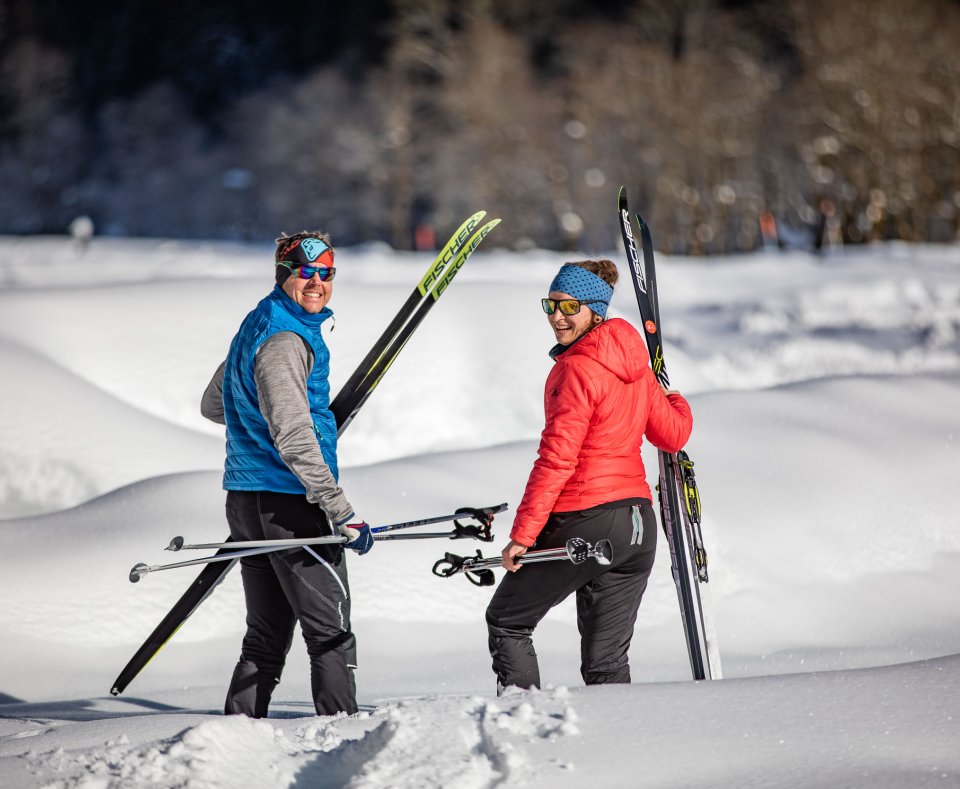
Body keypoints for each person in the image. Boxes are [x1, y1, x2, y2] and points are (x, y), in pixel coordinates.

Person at [485, 259, 693, 691]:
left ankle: (519, 726)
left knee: (507, 621)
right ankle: (615, 748)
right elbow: (672, 436)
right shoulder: (635, 365)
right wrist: (675, 399)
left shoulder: (577, 368)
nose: (557, 317)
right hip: (636, 527)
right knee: (606, 662)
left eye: (569, 307)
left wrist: (524, 535)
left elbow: (557, 457)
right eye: (551, 305)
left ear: (595, 311)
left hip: (586, 519)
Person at [201, 230, 373, 718]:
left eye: (327, 274)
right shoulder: (284, 339)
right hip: (290, 504)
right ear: (285, 274)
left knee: (266, 633)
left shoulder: (260, 321)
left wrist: (256, 417)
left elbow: (216, 404)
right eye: (306, 272)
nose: (317, 283)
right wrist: (343, 513)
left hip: (246, 503)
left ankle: (235, 735)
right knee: (331, 631)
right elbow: (295, 439)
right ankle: (341, 734)